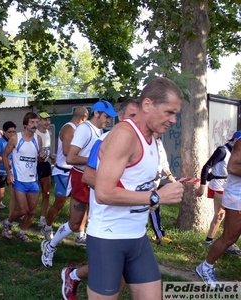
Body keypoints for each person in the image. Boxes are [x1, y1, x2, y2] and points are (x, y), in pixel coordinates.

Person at [86, 77, 184, 299]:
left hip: (137, 236)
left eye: (175, 114)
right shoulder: (124, 135)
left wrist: (150, 197)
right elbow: (103, 193)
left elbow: (135, 185)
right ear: (147, 105)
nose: (174, 120)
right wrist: (156, 197)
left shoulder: (151, 139)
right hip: (108, 239)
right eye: (169, 112)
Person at [60, 98, 138, 300]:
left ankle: (74, 274)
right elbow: (78, 165)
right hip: (103, 209)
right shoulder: (98, 136)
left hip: (129, 217)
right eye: (131, 116)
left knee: (123, 267)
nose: (108, 121)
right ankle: (64, 263)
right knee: (76, 224)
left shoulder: (131, 139)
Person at [41, 100, 117, 267]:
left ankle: (98, 258)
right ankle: (50, 245)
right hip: (80, 177)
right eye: (106, 116)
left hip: (95, 179)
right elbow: (71, 158)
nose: (108, 120)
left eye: (110, 118)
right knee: (75, 223)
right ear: (96, 113)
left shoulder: (100, 130)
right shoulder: (84, 129)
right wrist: (98, 161)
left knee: (96, 218)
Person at [195, 132, 241, 288]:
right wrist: (203, 184)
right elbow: (232, 166)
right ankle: (205, 267)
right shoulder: (237, 144)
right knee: (230, 237)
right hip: (236, 199)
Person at [41, 106, 89, 241]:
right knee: (59, 203)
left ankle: (81, 234)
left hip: (77, 171)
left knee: (83, 202)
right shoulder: (69, 129)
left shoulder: (79, 130)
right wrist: (89, 157)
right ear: (84, 117)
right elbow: (68, 153)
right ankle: (48, 226)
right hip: (63, 171)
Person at [1, 112, 46, 242]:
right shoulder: (16, 138)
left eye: (36, 122)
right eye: (32, 122)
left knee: (32, 211)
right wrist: (9, 173)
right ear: (25, 124)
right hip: (18, 179)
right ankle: (7, 222)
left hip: (32, 180)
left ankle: (22, 232)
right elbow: (5, 155)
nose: (35, 125)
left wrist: (42, 157)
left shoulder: (38, 139)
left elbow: (39, 158)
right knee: (23, 209)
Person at [149, 132, 176, 243]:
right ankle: (159, 235)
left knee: (153, 206)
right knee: (154, 205)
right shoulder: (146, 142)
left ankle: (159, 234)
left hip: (155, 182)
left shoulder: (159, 143)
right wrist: (151, 174)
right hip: (146, 182)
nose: (162, 131)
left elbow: (164, 162)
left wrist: (170, 176)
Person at [0, 121, 17, 223]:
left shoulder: (15, 141)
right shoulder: (0, 142)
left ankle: (11, 218)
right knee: (1, 195)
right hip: (1, 171)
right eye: (10, 132)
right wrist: (6, 160)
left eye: (14, 132)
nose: (12, 134)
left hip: (11, 172)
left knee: (14, 195)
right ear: (5, 132)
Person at [36, 112, 56, 227]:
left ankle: (42, 218)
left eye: (48, 120)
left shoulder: (49, 132)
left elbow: (47, 148)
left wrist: (51, 157)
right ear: (39, 121)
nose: (47, 122)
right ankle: (28, 212)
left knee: (46, 193)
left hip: (45, 164)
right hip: (35, 165)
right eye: (44, 120)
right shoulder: (35, 133)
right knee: (33, 193)